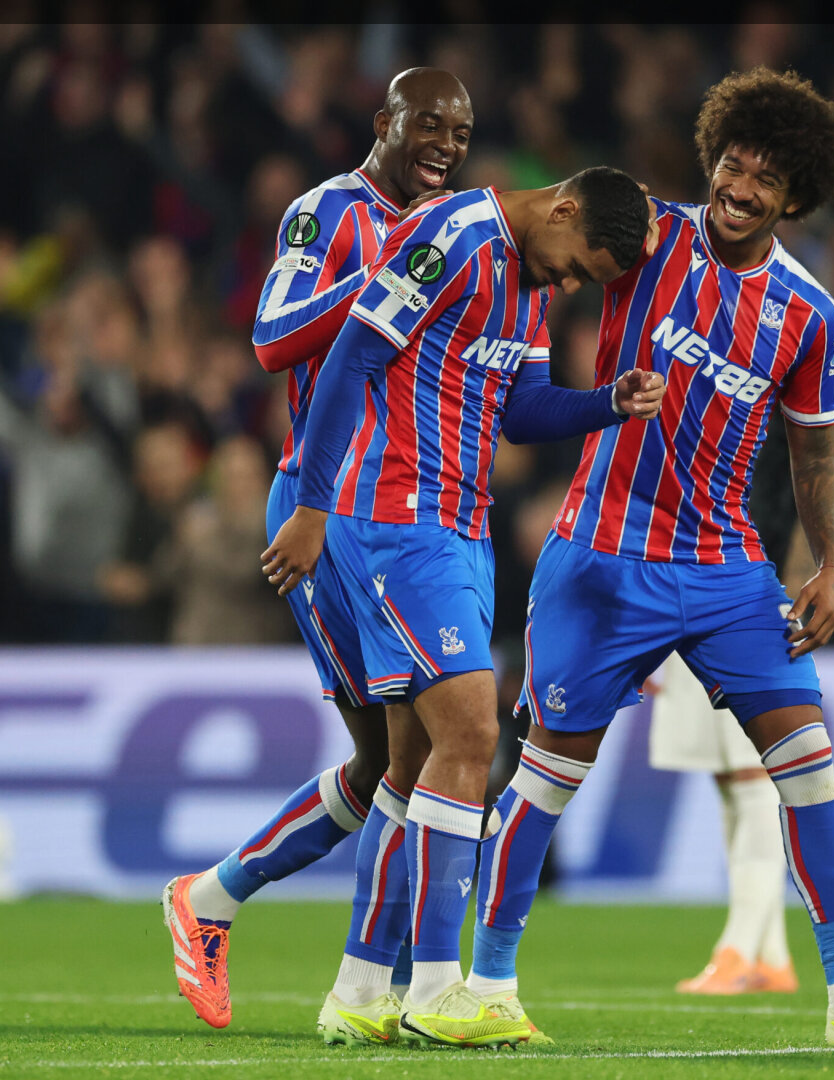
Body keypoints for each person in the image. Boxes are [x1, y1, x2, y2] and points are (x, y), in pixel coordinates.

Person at [468, 68, 834, 1048]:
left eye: (766, 178)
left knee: (807, 768)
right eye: (733, 162)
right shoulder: (647, 238)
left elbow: (815, 454)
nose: (740, 186)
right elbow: (544, 244)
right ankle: (485, 985)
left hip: (729, 568)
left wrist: (829, 567)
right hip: (601, 556)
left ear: (795, 198)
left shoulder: (810, 312)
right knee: (547, 779)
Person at [262, 167, 660, 1048]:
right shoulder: (452, 238)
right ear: (561, 208)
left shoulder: (528, 279)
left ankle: (360, 990)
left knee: (412, 762)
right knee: (474, 734)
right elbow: (352, 357)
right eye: (575, 266)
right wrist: (313, 506)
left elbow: (520, 410)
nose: (568, 284)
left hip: (459, 526)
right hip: (397, 516)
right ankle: (439, 986)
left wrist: (607, 403)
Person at [160, 68, 474, 1035]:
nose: (446, 145)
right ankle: (378, 978)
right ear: (385, 122)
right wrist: (385, 280)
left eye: (461, 132)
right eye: (429, 124)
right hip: (327, 507)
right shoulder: (326, 213)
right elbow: (272, 336)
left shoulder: (455, 226)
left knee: (399, 754)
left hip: (404, 512)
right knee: (402, 753)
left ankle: (228, 906)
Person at [649, 654, 799, 995]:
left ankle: (737, 951)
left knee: (754, 772)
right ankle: (771, 958)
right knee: (729, 776)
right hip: (683, 637)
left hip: (742, 632)